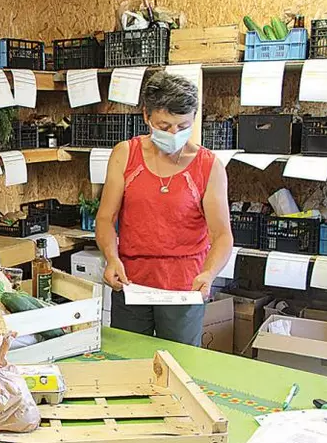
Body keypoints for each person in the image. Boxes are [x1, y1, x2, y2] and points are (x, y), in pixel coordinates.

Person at [95, 71, 233, 346]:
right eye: (165, 125)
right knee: (128, 358)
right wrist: (111, 258)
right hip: (130, 282)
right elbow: (105, 219)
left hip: (184, 287)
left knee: (179, 365)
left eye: (183, 127)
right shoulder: (125, 154)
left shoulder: (209, 166)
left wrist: (209, 273)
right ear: (146, 116)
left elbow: (222, 236)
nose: (174, 134)